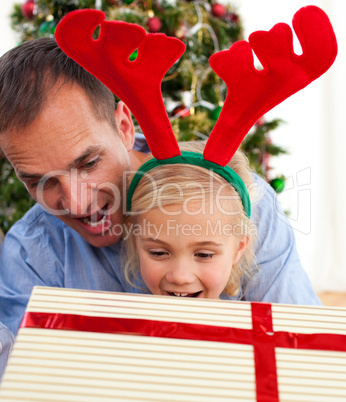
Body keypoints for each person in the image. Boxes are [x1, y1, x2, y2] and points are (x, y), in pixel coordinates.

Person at [0, 36, 321, 379]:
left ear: (123, 127)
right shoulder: (30, 253)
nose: (77, 203)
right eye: (39, 181)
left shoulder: (241, 203)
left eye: (89, 162)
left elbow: (300, 357)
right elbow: (26, 381)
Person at [122, 141, 257, 299]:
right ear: (134, 240)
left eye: (204, 255)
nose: (180, 277)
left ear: (239, 247)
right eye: (158, 253)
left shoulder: (248, 324)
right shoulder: (115, 322)